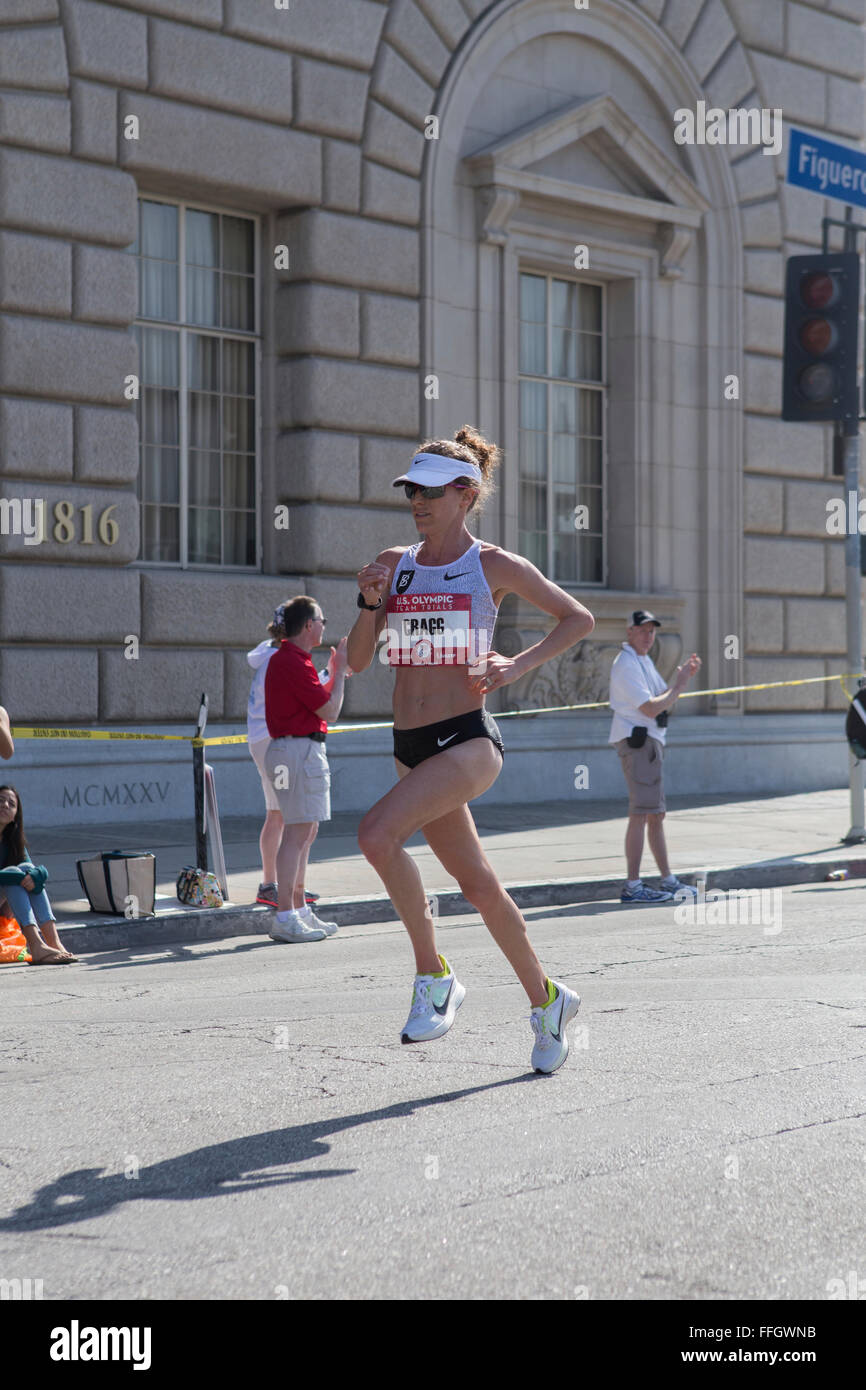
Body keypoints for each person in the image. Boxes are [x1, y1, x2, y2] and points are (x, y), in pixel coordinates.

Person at [347, 425, 595, 1075]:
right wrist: (370, 603)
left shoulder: (492, 566)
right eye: (411, 492)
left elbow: (578, 619)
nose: (417, 503)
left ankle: (434, 976)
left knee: (376, 835)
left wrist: (515, 665)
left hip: (467, 740)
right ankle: (548, 1001)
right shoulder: (395, 562)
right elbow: (355, 660)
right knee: (480, 886)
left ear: (466, 493)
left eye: (430, 492)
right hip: (410, 745)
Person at [263, 597, 349, 943]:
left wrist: (334, 672)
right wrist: (340, 671)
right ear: (309, 625)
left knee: (305, 832)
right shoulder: (292, 661)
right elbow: (330, 712)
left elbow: (319, 704)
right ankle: (285, 915)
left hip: (299, 749)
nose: (325, 626)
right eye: (321, 620)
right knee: (296, 834)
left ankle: (297, 909)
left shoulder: (296, 659)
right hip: (296, 750)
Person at [608, 610, 702, 903]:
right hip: (639, 744)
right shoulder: (626, 663)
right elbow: (651, 708)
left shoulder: (642, 661)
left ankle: (666, 879)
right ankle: (634, 886)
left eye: (652, 631)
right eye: (643, 630)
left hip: (649, 743)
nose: (649, 636)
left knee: (655, 814)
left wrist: (679, 681)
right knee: (641, 814)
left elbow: (664, 702)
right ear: (630, 632)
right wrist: (680, 685)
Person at [246, 618, 328, 909]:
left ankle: (278, 885)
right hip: (278, 740)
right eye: (316, 622)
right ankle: (283, 890)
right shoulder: (280, 658)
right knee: (293, 820)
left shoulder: (267, 655)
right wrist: (334, 673)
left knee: (280, 815)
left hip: (266, 740)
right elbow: (309, 694)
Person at [0, 785, 77, 964]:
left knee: (26, 869)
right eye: (0, 800)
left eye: (11, 804)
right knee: (15, 873)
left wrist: (36, 875)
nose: (4, 805)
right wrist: (16, 876)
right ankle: (36, 944)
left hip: (4, 909)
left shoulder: (13, 841)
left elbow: (35, 871)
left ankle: (53, 943)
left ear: (15, 816)